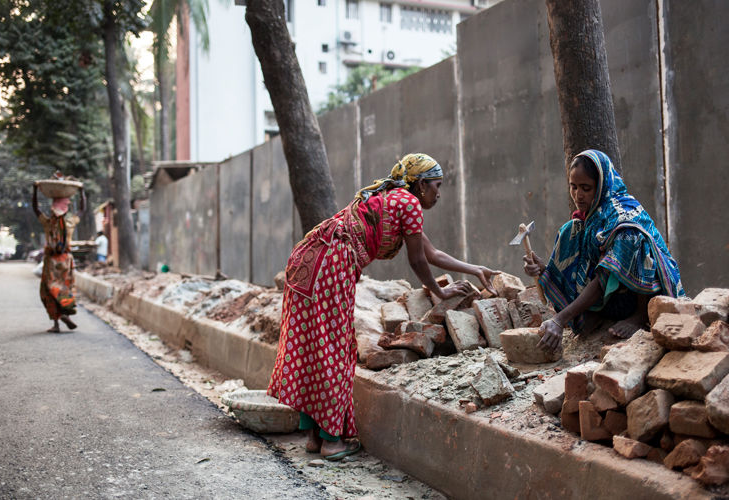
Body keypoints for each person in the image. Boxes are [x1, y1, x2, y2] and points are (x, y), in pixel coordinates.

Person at [268, 153, 501, 461]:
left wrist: (474, 269)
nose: (438, 193)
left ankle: (314, 435)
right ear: (419, 186)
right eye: (435, 185)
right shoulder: (408, 203)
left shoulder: (394, 200)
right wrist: (440, 293)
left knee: (317, 345)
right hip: (330, 263)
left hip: (307, 260)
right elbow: (418, 261)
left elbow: (430, 252)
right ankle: (333, 442)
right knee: (336, 348)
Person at [523, 149, 684, 351]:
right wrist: (545, 270)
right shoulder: (592, 215)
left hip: (641, 294)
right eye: (573, 187)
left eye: (586, 188)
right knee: (570, 231)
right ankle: (595, 312)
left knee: (630, 237)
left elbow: (603, 280)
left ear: (601, 186)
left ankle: (640, 316)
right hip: (613, 296)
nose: (578, 195)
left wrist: (559, 320)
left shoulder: (622, 215)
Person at [32, 181, 86, 333]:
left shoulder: (48, 223)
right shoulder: (69, 223)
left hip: (51, 262)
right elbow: (82, 209)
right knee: (64, 289)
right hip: (66, 261)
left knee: (48, 290)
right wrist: (82, 191)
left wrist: (35, 190)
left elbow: (35, 208)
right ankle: (64, 314)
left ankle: (57, 322)